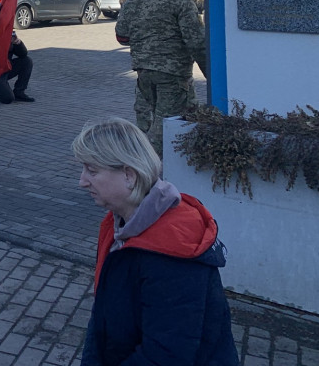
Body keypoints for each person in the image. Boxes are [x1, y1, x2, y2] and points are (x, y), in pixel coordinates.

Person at [73, 117, 239, 365]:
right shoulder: (118, 224)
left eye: (92, 171)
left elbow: (166, 354)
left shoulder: (172, 253)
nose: (82, 181)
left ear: (129, 175)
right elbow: (102, 318)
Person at [115, 0, 207, 156]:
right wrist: (210, 73)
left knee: (150, 121)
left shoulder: (133, 1)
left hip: (143, 74)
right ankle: (146, 171)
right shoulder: (179, 0)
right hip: (172, 75)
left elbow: (121, 36)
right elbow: (196, 41)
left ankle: (160, 163)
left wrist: (143, 40)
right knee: (165, 126)